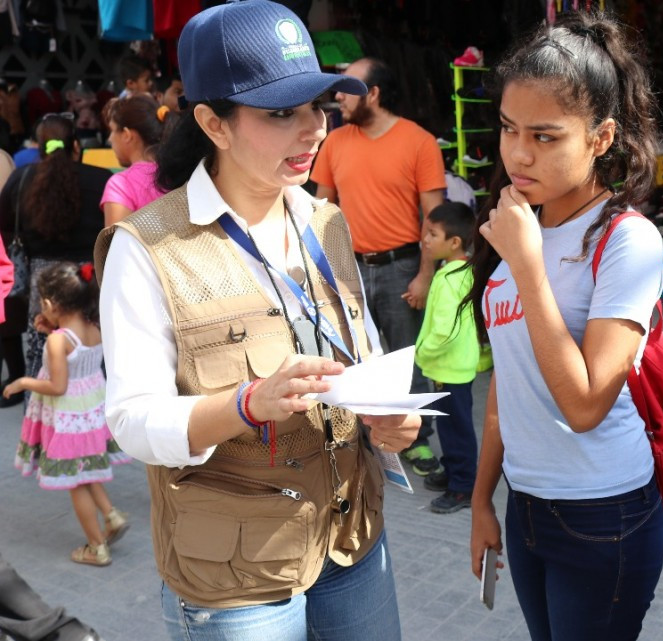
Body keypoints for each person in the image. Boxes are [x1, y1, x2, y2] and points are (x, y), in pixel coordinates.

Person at [94, 2, 420, 637]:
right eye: (280, 113)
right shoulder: (149, 248)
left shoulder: (326, 221)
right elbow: (132, 420)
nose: (314, 129)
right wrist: (245, 404)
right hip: (236, 576)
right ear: (213, 123)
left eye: (317, 106)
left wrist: (389, 417)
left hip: (351, 539)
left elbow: (363, 349)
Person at [465, 13, 663, 640]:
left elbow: (584, 406)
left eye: (546, 136)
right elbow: (509, 379)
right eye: (508, 128)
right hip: (526, 505)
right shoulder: (519, 223)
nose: (518, 153)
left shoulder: (626, 240)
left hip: (603, 513)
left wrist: (528, 268)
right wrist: (481, 498)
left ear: (601, 137)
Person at [311, 57, 447, 476]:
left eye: (348, 88)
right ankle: (364, 443)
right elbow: (319, 211)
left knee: (407, 359)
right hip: (347, 270)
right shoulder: (334, 142)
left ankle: (417, 442)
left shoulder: (419, 142)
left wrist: (425, 274)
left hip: (402, 267)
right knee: (354, 361)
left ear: (373, 94)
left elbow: (435, 218)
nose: (338, 97)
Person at [4, 262, 130, 567]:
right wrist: (51, 329)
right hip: (91, 413)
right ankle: (111, 515)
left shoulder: (58, 341)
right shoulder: (94, 325)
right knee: (85, 470)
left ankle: (96, 547)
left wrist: (22, 382)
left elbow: (57, 386)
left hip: (68, 421)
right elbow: (77, 351)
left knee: (75, 482)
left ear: (49, 304)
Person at [0, 115, 111, 391]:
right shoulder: (102, 179)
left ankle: (40, 412)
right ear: (76, 145)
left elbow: (4, 223)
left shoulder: (22, 179)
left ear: (38, 148)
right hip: (91, 277)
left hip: (43, 281)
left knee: (41, 352)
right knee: (96, 351)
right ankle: (95, 410)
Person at [414, 201, 479, 514]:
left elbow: (445, 330)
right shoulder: (460, 270)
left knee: (456, 431)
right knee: (450, 426)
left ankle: (463, 487)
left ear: (454, 242)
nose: (425, 240)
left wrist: (422, 351)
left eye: (433, 234)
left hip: (449, 367)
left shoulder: (450, 278)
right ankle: (453, 470)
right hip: (452, 366)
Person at [100, 95, 168, 226]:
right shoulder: (180, 174)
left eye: (112, 130)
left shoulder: (120, 185)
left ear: (127, 135)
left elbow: (116, 238)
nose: (110, 139)